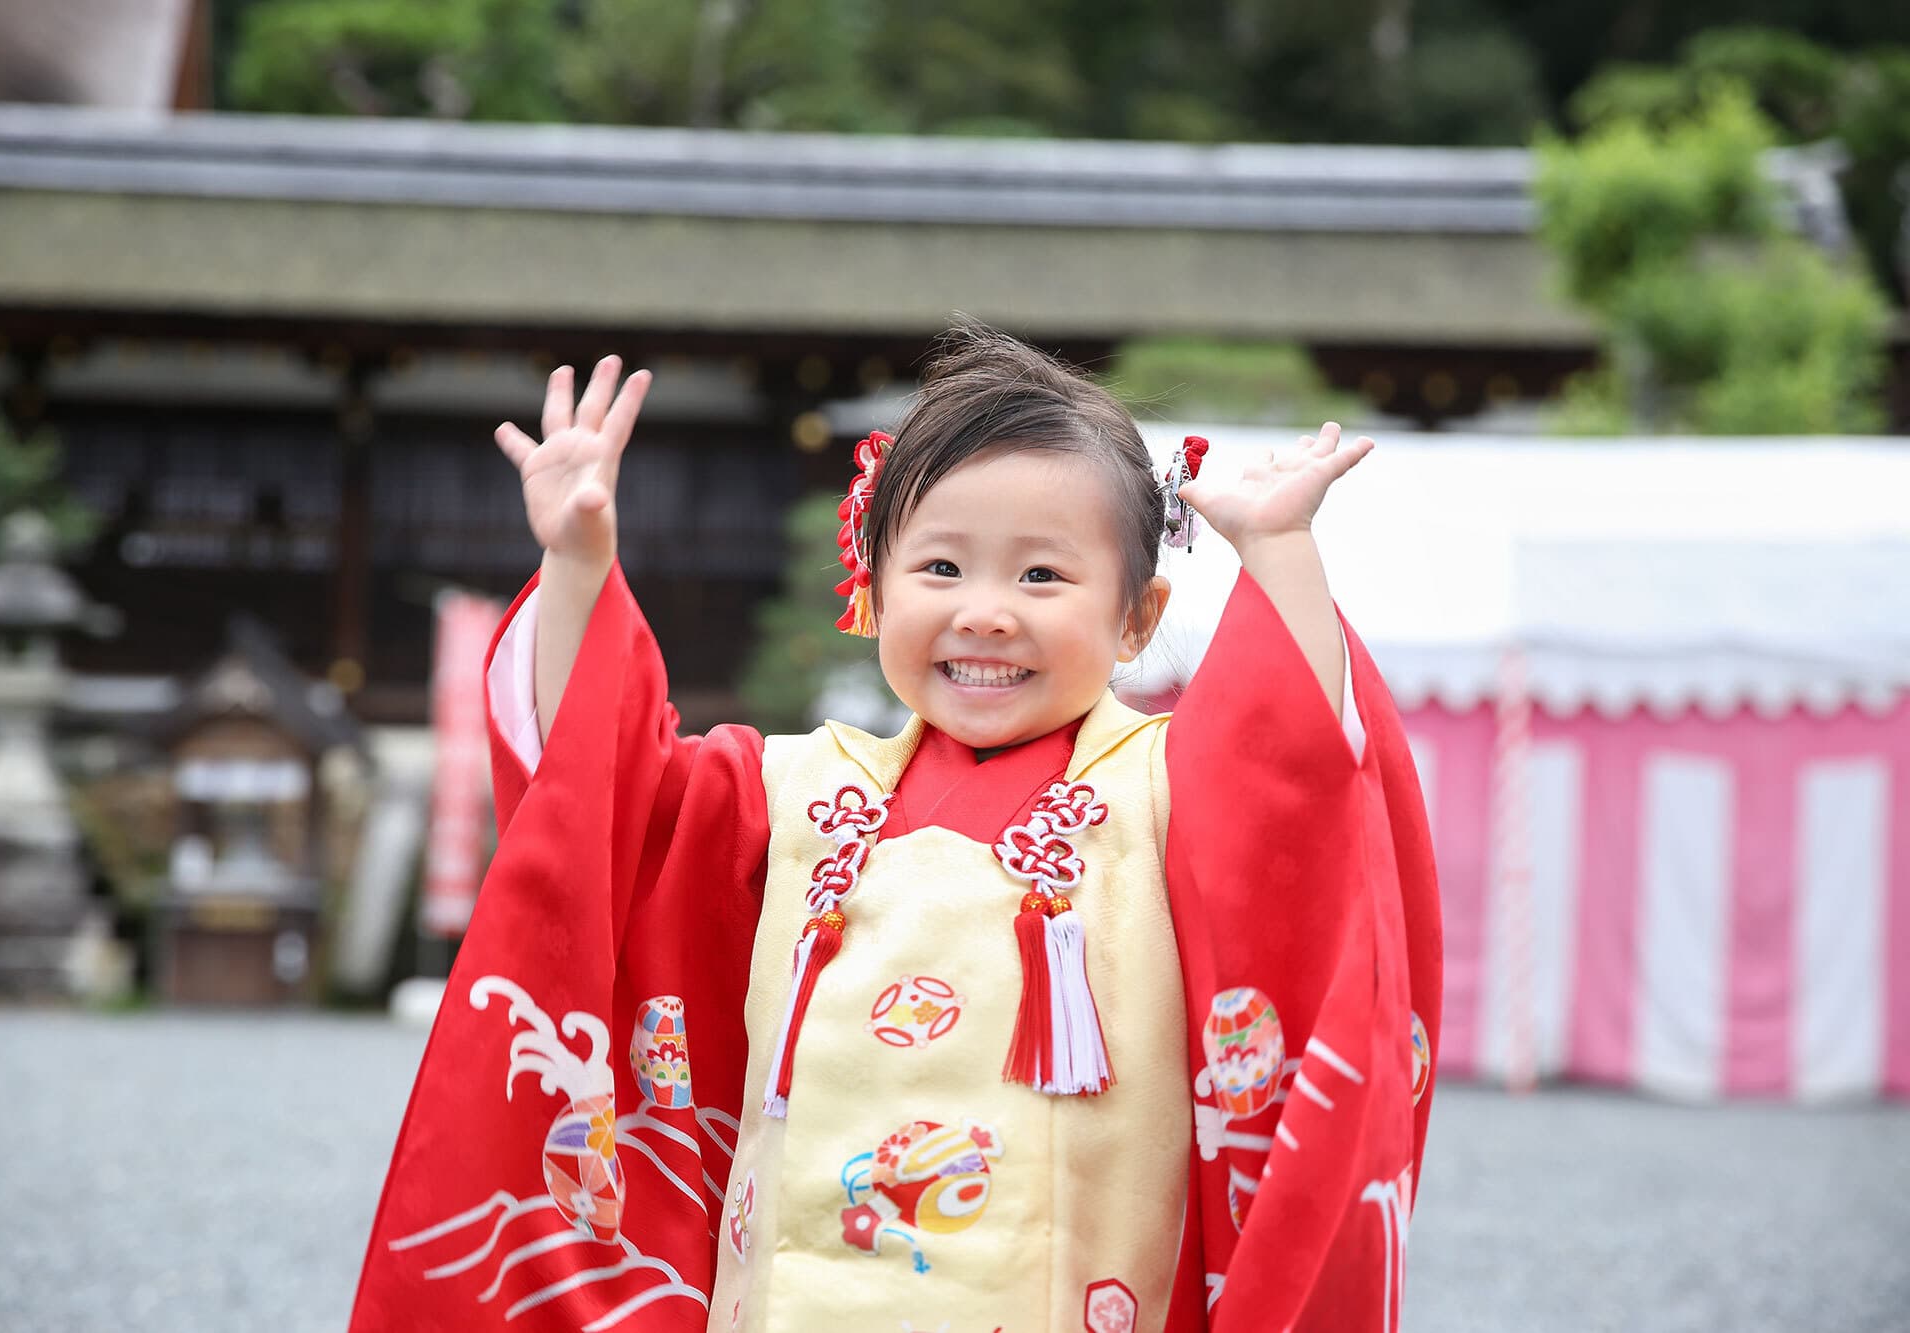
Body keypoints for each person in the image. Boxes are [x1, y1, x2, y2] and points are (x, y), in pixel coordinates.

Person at [352, 325, 1442, 1333]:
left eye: (1041, 574)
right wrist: (580, 564)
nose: (982, 610)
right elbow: (604, 802)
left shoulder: (1166, 785)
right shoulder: (791, 792)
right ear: (869, 585)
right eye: (938, 566)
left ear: (1135, 618)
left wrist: (1277, 552)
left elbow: (1297, 795)